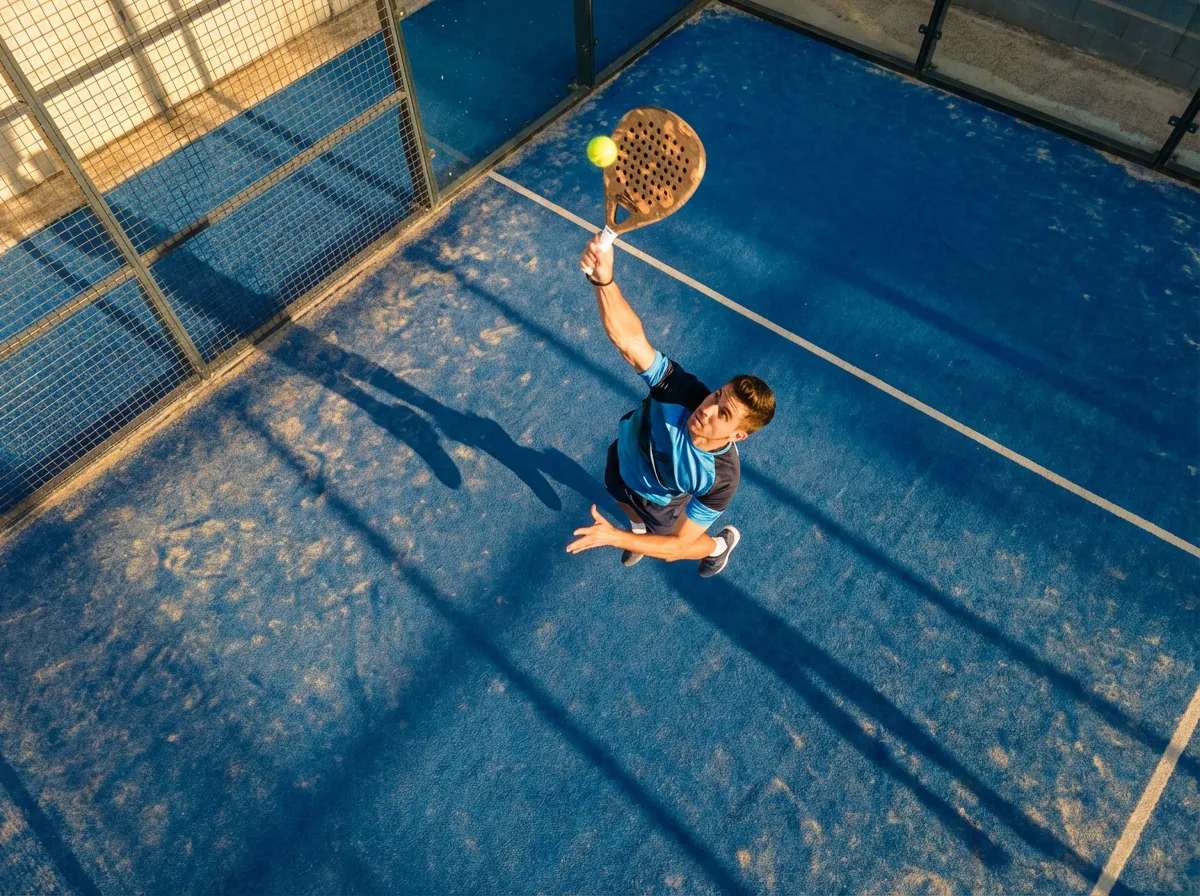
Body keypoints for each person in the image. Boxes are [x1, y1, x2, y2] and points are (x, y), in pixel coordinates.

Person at [566, 234, 776, 577]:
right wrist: (603, 280)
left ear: (738, 435)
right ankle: (638, 531)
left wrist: (614, 537)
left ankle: (720, 546)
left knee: (676, 548)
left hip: (659, 501)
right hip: (624, 456)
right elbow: (630, 341)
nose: (707, 408)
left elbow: (677, 546)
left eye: (723, 414)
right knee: (615, 488)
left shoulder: (720, 479)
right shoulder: (681, 391)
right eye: (717, 396)